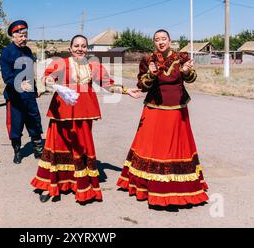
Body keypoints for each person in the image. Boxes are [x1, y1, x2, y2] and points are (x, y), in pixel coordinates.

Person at [31, 34, 140, 204]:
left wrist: (126, 91)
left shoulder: (94, 66)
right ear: (70, 48)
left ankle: (80, 185)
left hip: (84, 113)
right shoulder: (61, 63)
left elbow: (107, 84)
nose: (79, 49)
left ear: (87, 49)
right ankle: (50, 185)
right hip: (61, 112)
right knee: (56, 146)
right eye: (76, 46)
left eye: (83, 46)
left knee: (82, 148)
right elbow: (46, 77)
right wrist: (51, 80)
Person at [116, 29, 209, 207]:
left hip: (177, 110)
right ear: (154, 42)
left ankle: (179, 186)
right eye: (157, 39)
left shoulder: (182, 57)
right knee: (152, 146)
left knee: (175, 147)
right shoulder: (147, 60)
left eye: (163, 39)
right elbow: (142, 85)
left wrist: (187, 71)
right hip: (154, 109)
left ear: (169, 40)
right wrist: (150, 74)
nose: (161, 42)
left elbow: (191, 78)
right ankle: (146, 184)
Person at [0, 20, 44, 164]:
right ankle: (17, 152)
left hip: (29, 95)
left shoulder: (28, 51)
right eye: (20, 36)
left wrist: (35, 89)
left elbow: (30, 72)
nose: (24, 38)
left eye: (25, 35)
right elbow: (7, 77)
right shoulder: (6, 53)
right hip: (15, 96)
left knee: (34, 121)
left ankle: (38, 150)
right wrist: (19, 83)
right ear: (13, 36)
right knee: (16, 124)